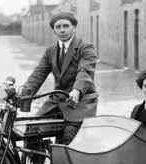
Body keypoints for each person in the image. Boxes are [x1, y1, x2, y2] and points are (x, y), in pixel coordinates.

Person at [21, 11, 98, 145]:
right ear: (54, 31)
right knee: (31, 131)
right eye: (58, 27)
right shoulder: (50, 50)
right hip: (57, 102)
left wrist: (77, 90)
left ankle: (62, 163)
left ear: (74, 27)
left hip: (79, 103)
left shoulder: (85, 47)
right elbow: (39, 73)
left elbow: (85, 71)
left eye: (66, 26)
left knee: (68, 138)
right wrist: (25, 92)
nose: (62, 30)